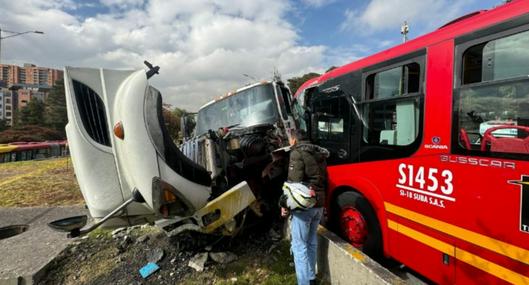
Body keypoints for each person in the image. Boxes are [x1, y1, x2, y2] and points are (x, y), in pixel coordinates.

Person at [282, 130, 329, 285]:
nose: (289, 143)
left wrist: (283, 204)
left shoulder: (297, 153)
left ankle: (304, 282)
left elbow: (293, 184)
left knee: (299, 246)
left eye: (289, 140)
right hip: (319, 205)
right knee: (311, 242)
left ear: (294, 140)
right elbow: (324, 180)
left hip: (305, 206)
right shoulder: (319, 153)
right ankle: (311, 277)